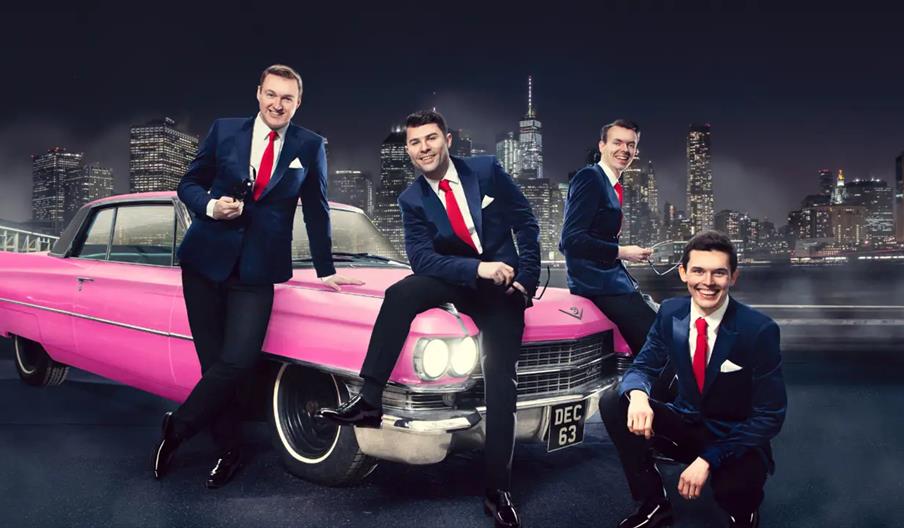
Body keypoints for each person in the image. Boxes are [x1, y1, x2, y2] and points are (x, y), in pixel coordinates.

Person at [319, 110, 539, 528]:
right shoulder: (411, 199)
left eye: (431, 139)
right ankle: (368, 400)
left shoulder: (488, 170)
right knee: (401, 292)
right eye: (415, 143)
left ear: (448, 140)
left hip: (503, 288)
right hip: (460, 277)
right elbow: (422, 259)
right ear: (408, 150)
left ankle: (498, 491)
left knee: (501, 380)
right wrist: (477, 269)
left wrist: (524, 281)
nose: (424, 148)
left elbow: (526, 224)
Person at [152, 64, 362, 488]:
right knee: (213, 363)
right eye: (271, 94)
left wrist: (326, 270)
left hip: (257, 269)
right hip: (204, 260)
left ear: (297, 103)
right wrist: (212, 207)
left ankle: (177, 428)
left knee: (239, 361)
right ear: (258, 93)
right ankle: (229, 450)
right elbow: (188, 183)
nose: (277, 104)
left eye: (287, 98)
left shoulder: (310, 144)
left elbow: (318, 210)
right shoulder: (224, 130)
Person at [599, 231, 787, 528]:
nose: (707, 282)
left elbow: (770, 417)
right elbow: (644, 366)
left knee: (736, 492)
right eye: (698, 270)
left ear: (733, 277)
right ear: (684, 272)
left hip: (735, 439)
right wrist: (637, 396)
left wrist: (708, 460)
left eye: (719, 273)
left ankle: (743, 514)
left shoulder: (759, 329)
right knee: (614, 399)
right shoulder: (671, 313)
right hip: (685, 424)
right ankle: (653, 504)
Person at [559, 119, 656, 355]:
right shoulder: (590, 178)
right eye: (617, 142)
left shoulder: (611, 185)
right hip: (599, 284)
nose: (625, 150)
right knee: (656, 345)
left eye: (631, 145)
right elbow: (570, 240)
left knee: (662, 325)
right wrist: (623, 252)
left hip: (612, 281)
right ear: (602, 145)